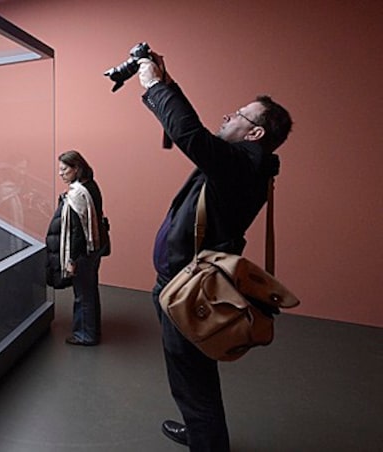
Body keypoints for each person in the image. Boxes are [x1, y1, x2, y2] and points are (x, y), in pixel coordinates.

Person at [136, 51, 292, 451]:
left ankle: (207, 441)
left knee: (190, 376)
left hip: (186, 287)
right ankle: (202, 431)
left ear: (255, 133)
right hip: (184, 281)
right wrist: (169, 85)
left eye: (238, 115)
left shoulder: (241, 165)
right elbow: (199, 135)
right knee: (194, 373)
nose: (227, 117)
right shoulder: (244, 162)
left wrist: (153, 86)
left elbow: (191, 136)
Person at [45, 150, 105, 346]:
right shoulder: (91, 185)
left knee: (82, 294)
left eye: (64, 169)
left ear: (76, 168)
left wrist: (71, 260)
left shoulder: (77, 193)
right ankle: (92, 330)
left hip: (83, 254)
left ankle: (85, 335)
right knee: (90, 290)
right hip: (94, 249)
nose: (60, 174)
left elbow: (77, 231)